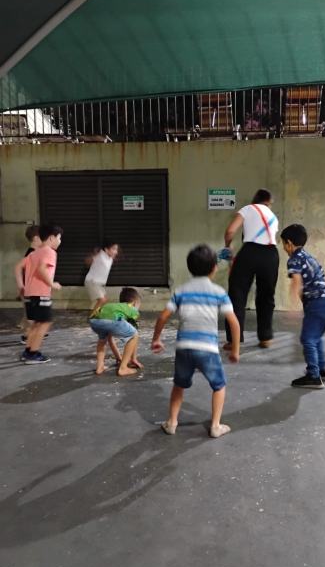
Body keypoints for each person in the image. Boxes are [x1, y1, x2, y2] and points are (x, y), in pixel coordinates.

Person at [151, 245, 240, 438]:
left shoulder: (181, 290)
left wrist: (156, 339)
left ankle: (172, 423)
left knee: (179, 385)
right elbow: (234, 322)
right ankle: (215, 426)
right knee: (219, 385)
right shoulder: (219, 292)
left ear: (189, 267)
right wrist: (235, 349)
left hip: (184, 347)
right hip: (207, 348)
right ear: (214, 268)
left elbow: (163, 316)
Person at [281, 224, 325, 388]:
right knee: (315, 336)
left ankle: (313, 375)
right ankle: (322, 369)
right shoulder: (310, 258)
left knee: (308, 339)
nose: (284, 248)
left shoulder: (294, 259)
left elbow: (297, 281)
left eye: (283, 243)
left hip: (317, 302)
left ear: (289, 243)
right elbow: (321, 278)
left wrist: (293, 306)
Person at [223, 188, 279, 349]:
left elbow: (230, 231)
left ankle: (234, 339)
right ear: (269, 202)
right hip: (271, 255)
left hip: (249, 252)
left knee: (237, 295)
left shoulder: (248, 209)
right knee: (266, 296)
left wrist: (228, 245)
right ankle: (265, 337)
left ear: (255, 199)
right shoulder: (273, 216)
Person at [14, 222, 63, 364]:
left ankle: (28, 351)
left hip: (30, 294)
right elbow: (42, 269)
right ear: (52, 237)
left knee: (36, 324)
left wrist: (21, 285)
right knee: (44, 323)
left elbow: (18, 266)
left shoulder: (34, 253)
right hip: (40, 293)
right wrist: (52, 284)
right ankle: (32, 354)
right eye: (59, 238)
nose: (60, 241)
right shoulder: (50, 252)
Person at [89, 287, 143, 376]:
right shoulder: (132, 310)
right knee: (134, 335)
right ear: (136, 303)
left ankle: (100, 366)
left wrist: (118, 357)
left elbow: (110, 338)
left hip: (94, 320)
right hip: (112, 321)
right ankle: (123, 368)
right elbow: (135, 336)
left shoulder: (116, 307)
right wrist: (133, 358)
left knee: (102, 340)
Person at [85, 238, 122, 363]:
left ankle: (96, 315)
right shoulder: (101, 256)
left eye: (116, 249)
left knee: (105, 299)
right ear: (106, 250)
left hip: (98, 283)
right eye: (114, 249)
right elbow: (89, 260)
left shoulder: (109, 257)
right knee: (101, 299)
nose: (116, 251)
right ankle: (92, 318)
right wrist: (93, 256)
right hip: (92, 282)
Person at [19, 225, 42, 345]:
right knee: (32, 315)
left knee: (31, 313)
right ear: (36, 238)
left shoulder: (32, 253)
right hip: (31, 289)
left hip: (30, 288)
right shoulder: (32, 254)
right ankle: (27, 336)